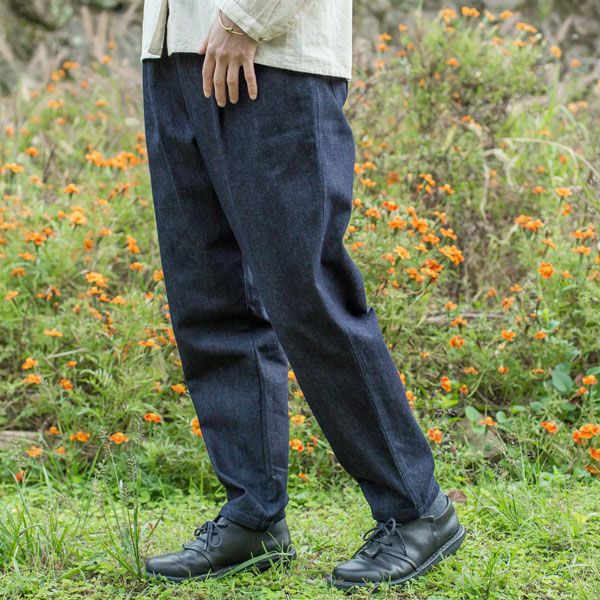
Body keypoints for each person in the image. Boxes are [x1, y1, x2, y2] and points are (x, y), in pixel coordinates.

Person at [140, 0, 466, 590]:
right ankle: (253, 516)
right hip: (171, 52)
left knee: (308, 296)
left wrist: (247, 18)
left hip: (268, 55)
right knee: (209, 298)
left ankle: (418, 509)